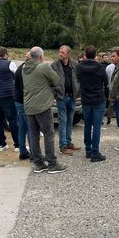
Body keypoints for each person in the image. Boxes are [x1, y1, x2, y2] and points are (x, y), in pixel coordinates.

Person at [23, 46, 67, 174]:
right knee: (48, 134)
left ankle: (38, 163)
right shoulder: (44, 67)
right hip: (42, 105)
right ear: (41, 56)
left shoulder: (24, 68)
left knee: (34, 134)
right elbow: (57, 80)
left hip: (29, 106)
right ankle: (52, 163)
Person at [76, 45, 110, 162]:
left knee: (87, 125)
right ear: (96, 55)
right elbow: (106, 83)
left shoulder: (79, 67)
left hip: (86, 99)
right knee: (96, 127)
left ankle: (88, 150)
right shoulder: (100, 68)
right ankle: (95, 152)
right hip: (98, 99)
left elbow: (78, 80)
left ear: (85, 55)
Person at [0, 46, 20, 153]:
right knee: (13, 120)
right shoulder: (9, 63)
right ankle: (18, 145)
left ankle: (1, 144)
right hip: (8, 95)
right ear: (5, 54)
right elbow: (18, 76)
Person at [51, 45, 82, 155]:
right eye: (59, 52)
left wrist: (78, 91)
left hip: (72, 96)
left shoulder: (74, 64)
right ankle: (62, 146)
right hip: (61, 97)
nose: (60, 54)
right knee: (63, 121)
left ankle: (69, 142)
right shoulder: (54, 65)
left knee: (70, 120)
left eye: (62, 52)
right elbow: (51, 81)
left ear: (68, 54)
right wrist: (56, 93)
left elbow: (78, 79)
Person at [14, 52, 31, 161]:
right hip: (26, 101)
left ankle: (22, 151)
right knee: (31, 127)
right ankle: (34, 153)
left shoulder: (19, 68)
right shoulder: (26, 70)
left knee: (22, 127)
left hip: (18, 101)